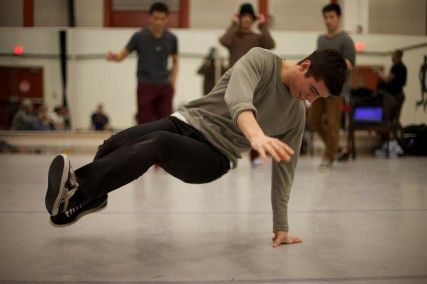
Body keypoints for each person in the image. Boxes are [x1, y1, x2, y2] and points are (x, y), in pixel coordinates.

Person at [44, 47, 347, 248]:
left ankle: (78, 188)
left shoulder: (295, 116)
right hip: (185, 122)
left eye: (318, 97)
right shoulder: (260, 60)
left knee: (158, 145)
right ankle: (86, 200)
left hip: (214, 156)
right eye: (312, 90)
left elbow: (286, 170)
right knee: (114, 143)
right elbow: (237, 98)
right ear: (304, 66)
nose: (310, 100)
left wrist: (281, 225)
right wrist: (256, 136)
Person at [220, 2, 276, 167]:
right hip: (232, 83)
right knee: (230, 118)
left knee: (256, 118)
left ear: (252, 19)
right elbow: (224, 40)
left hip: (254, 83)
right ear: (240, 18)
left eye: (248, 17)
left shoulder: (258, 37)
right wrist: (233, 24)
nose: (246, 20)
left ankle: (257, 155)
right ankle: (228, 153)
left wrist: (262, 25)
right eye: (243, 17)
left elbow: (271, 44)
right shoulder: (234, 37)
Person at [106, 2, 178, 124]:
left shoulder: (172, 38)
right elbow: (122, 54)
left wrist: (173, 83)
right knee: (144, 122)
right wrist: (115, 57)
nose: (158, 22)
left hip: (164, 85)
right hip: (145, 85)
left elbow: (175, 62)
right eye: (155, 18)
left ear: (167, 19)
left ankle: (162, 143)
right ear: (150, 18)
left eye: (162, 19)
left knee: (166, 122)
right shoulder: (139, 37)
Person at [308, 3, 355, 169]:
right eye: (326, 18)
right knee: (313, 119)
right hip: (319, 88)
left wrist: (331, 65)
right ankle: (336, 148)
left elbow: (350, 63)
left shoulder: (346, 40)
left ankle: (329, 157)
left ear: (339, 17)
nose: (328, 21)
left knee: (333, 123)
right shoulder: (321, 39)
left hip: (337, 89)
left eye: (331, 17)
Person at [374, 49, 407, 157]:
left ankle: (393, 143)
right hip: (400, 95)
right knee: (395, 120)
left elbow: (387, 80)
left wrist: (379, 73)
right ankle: (395, 142)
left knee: (390, 120)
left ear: (396, 56)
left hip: (395, 97)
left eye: (392, 56)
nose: (391, 58)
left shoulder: (396, 67)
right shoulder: (403, 67)